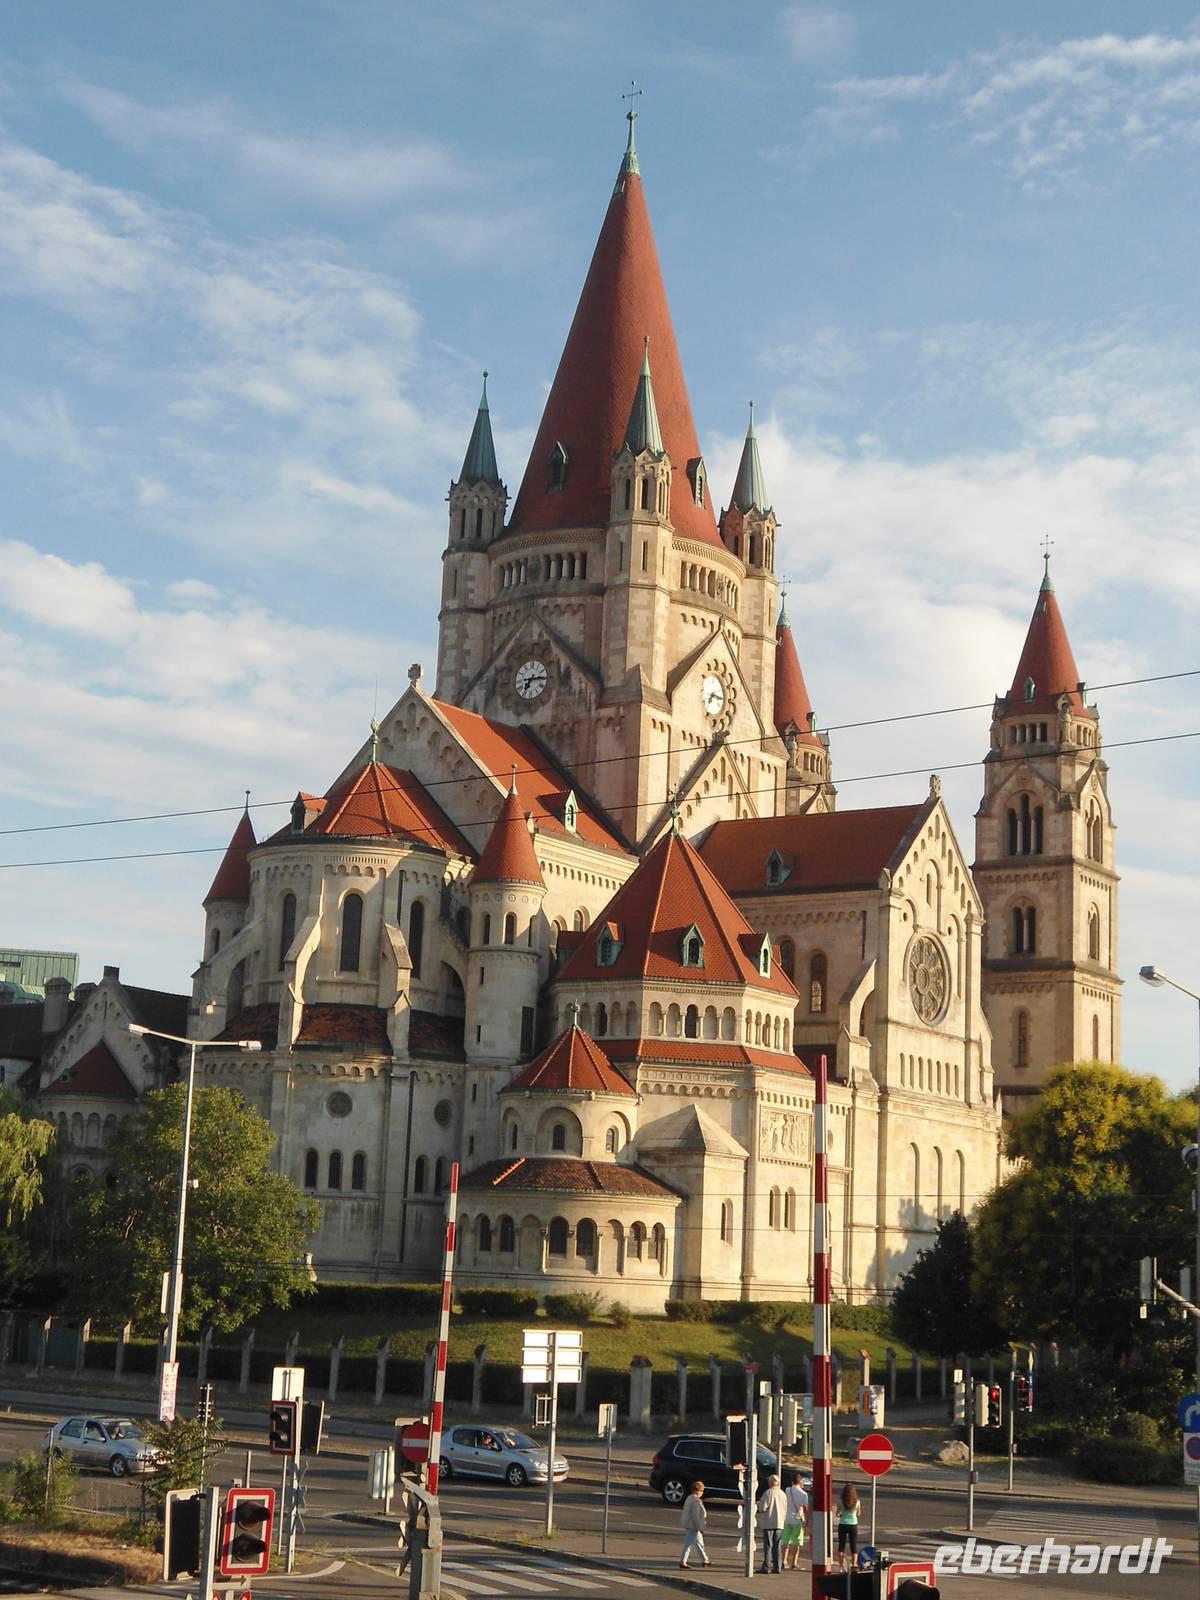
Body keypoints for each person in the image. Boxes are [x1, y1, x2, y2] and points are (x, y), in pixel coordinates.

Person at [757, 1474, 787, 1574]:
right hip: (779, 1523)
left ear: (770, 1483)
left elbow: (763, 1508)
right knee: (777, 1546)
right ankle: (777, 1566)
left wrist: (760, 1507)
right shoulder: (782, 1494)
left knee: (768, 1546)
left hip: (769, 1523)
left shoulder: (768, 1493)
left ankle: (766, 1566)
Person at [781, 1470, 809, 1571]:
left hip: (787, 1518)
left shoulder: (787, 1490)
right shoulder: (803, 1494)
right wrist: (806, 1521)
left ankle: (784, 1561)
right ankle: (794, 1562)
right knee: (797, 1541)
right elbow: (805, 1509)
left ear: (792, 1481)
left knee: (786, 1540)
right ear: (800, 1482)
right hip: (797, 1519)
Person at [679, 1481, 710, 1569]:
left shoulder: (689, 1498)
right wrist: (700, 1527)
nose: (702, 1493)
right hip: (693, 1525)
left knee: (699, 1543)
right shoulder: (696, 1500)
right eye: (701, 1490)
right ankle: (683, 1562)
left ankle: (705, 1560)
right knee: (688, 1544)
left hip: (691, 1524)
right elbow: (695, 1515)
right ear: (697, 1490)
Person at [837, 1482, 859, 1571]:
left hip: (843, 1524)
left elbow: (837, 1513)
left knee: (841, 1546)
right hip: (853, 1525)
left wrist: (841, 1515)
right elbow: (859, 1513)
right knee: (853, 1546)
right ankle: (854, 1565)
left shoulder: (840, 1501)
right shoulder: (857, 1502)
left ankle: (841, 1566)